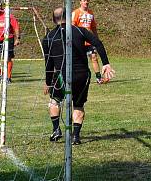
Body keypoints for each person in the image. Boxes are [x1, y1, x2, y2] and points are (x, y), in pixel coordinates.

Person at [42, 7, 115, 145]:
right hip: (82, 75)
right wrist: (106, 63)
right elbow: (98, 43)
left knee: (54, 101)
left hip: (61, 76)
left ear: (53, 20)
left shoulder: (48, 37)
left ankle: (56, 129)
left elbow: (49, 63)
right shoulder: (80, 30)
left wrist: (48, 82)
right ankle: (75, 136)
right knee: (79, 105)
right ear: (69, 17)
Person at [72, 0, 106, 84]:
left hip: (89, 41)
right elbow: (72, 26)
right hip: (79, 41)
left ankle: (99, 78)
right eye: (84, 0)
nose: (86, 2)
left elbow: (93, 27)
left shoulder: (91, 13)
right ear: (80, 2)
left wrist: (96, 39)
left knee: (94, 58)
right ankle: (78, 77)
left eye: (87, 0)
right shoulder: (76, 12)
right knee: (80, 60)